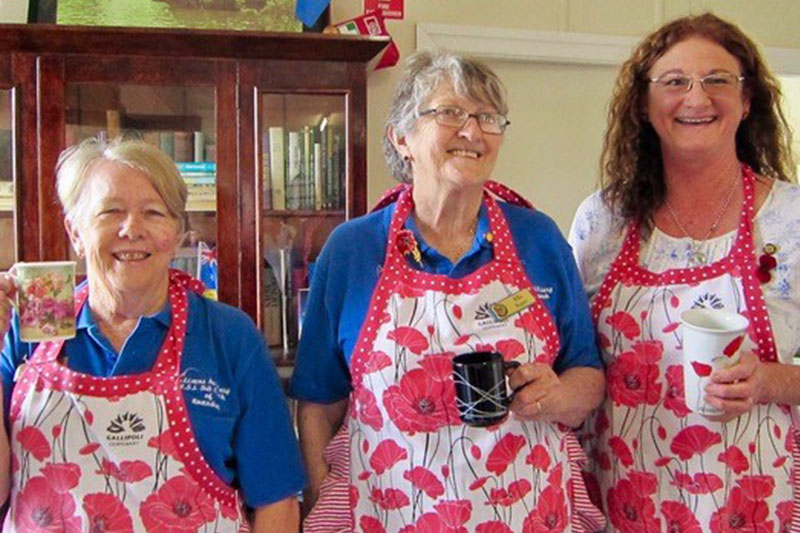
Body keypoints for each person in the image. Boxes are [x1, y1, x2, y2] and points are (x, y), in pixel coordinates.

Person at [290, 50, 606, 532]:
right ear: (403, 138)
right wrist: (320, 494)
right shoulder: (353, 250)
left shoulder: (538, 239)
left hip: (527, 512)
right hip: (387, 515)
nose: (472, 131)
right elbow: (318, 401)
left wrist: (557, 394)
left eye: (487, 117)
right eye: (450, 113)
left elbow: (587, 374)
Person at [0, 137, 306, 532]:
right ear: (75, 231)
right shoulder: (32, 329)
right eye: (110, 211)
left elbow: (276, 502)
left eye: (153, 213)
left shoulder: (228, 336)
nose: (133, 229)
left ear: (178, 234)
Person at [568, 13, 800, 532]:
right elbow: (567, 354)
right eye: (674, 82)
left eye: (718, 80)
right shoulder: (602, 220)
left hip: (755, 508)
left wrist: (771, 381)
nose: (697, 98)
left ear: (746, 101)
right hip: (620, 508)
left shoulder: (792, 220)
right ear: (645, 106)